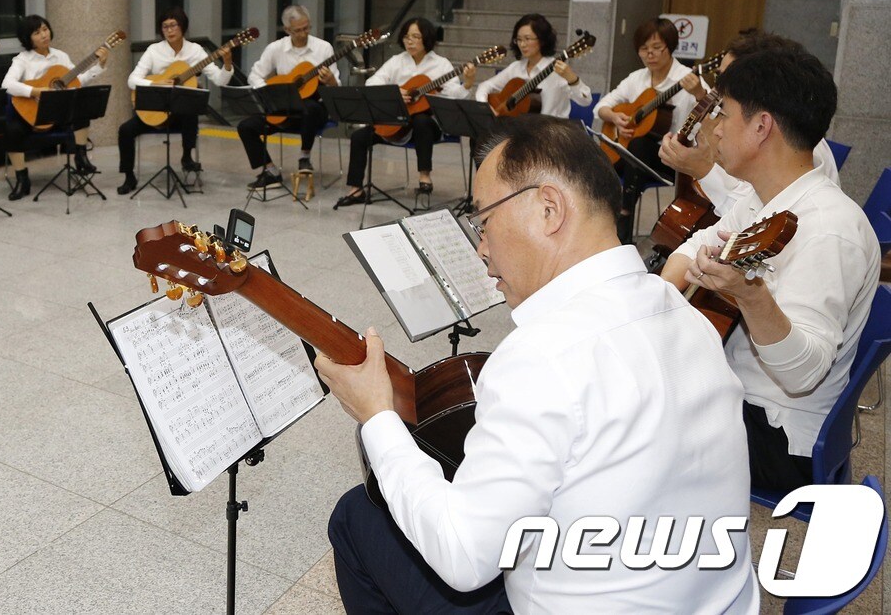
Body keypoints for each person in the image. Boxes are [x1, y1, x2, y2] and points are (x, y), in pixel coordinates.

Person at [321, 116, 759, 613]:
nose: (482, 251)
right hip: (714, 600)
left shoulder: (543, 355)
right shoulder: (682, 309)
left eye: (483, 222)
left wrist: (377, 415)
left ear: (549, 209)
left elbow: (463, 558)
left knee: (358, 516)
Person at [660, 48, 877, 494]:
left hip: (775, 430)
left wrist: (752, 296)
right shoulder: (763, 196)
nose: (714, 128)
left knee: (612, 432)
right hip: (737, 390)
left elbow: (803, 374)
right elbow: (695, 243)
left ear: (761, 127)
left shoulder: (830, 229)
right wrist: (664, 296)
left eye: (726, 115)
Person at [659, 29, 840, 218]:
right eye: (719, 77)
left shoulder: (798, 144)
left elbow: (757, 221)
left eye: (730, 78)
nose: (719, 89)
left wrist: (703, 169)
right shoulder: (742, 123)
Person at [335, 17, 473, 207]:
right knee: (359, 136)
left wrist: (467, 82)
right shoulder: (396, 61)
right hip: (395, 123)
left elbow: (455, 94)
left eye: (416, 37)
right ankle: (356, 189)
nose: (410, 41)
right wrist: (396, 91)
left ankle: (424, 176)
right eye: (407, 37)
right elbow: (371, 82)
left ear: (427, 38)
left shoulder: (441, 65)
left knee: (421, 120)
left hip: (427, 128)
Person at [594, 17, 706, 244]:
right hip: (638, 158)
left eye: (657, 48)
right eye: (644, 49)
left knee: (638, 146)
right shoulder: (636, 78)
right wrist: (615, 117)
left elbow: (713, 114)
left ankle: (622, 220)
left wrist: (698, 93)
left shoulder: (688, 78)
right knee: (601, 159)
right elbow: (601, 107)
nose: (650, 54)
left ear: (670, 47)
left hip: (673, 160)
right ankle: (598, 218)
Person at [116, 6, 233, 195]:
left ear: (183, 27)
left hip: (180, 115)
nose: (169, 30)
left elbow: (220, 80)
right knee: (125, 130)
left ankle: (187, 156)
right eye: (165, 27)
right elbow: (132, 80)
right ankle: (129, 175)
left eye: (173, 25)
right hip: (156, 112)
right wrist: (159, 82)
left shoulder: (196, 51)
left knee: (190, 107)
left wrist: (227, 63)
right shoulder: (154, 51)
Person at [1, 14, 107, 201]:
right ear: (28, 38)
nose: (43, 35)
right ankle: (21, 178)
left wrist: (99, 65)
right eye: (37, 32)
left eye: (45, 29)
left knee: (82, 108)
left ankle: (81, 157)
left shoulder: (61, 56)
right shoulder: (22, 60)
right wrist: (35, 91)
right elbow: (7, 84)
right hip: (33, 114)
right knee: (12, 130)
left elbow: (77, 81)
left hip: (59, 113)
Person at [238, 5, 335, 190]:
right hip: (284, 109)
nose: (303, 33)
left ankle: (304, 157)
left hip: (315, 110)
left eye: (307, 28)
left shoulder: (324, 48)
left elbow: (335, 86)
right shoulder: (276, 48)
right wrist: (270, 92)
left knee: (310, 107)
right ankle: (271, 171)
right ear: (287, 30)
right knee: (246, 126)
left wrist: (330, 80)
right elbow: (254, 75)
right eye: (298, 30)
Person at [473, 13, 591, 119]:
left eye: (527, 39)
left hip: (551, 135)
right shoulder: (516, 68)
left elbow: (586, 101)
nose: (522, 44)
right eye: (518, 40)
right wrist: (487, 109)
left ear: (542, 40)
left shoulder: (557, 70)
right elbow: (484, 86)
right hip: (519, 133)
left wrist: (572, 79)